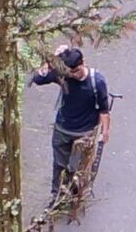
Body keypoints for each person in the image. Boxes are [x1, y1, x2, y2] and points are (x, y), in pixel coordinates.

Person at [29, 43, 116, 202]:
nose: (72, 75)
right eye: (69, 72)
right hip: (63, 128)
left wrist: (105, 132)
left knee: (75, 167)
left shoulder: (96, 82)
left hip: (84, 132)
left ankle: (74, 191)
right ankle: (57, 196)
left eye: (75, 71)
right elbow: (38, 78)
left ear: (83, 63)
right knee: (59, 165)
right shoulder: (63, 75)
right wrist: (51, 61)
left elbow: (104, 110)